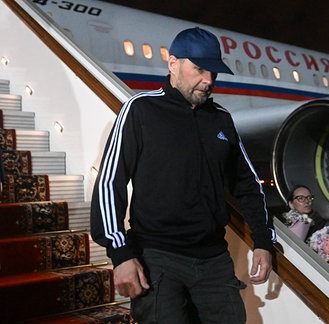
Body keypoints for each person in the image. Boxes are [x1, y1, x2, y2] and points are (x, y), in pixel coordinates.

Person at [90, 27, 276, 324]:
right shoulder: (140, 110)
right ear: (173, 63)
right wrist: (120, 254)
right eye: (199, 69)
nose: (208, 81)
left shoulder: (221, 119)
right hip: (157, 258)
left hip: (214, 259)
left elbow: (248, 184)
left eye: (213, 72)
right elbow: (110, 184)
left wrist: (264, 242)